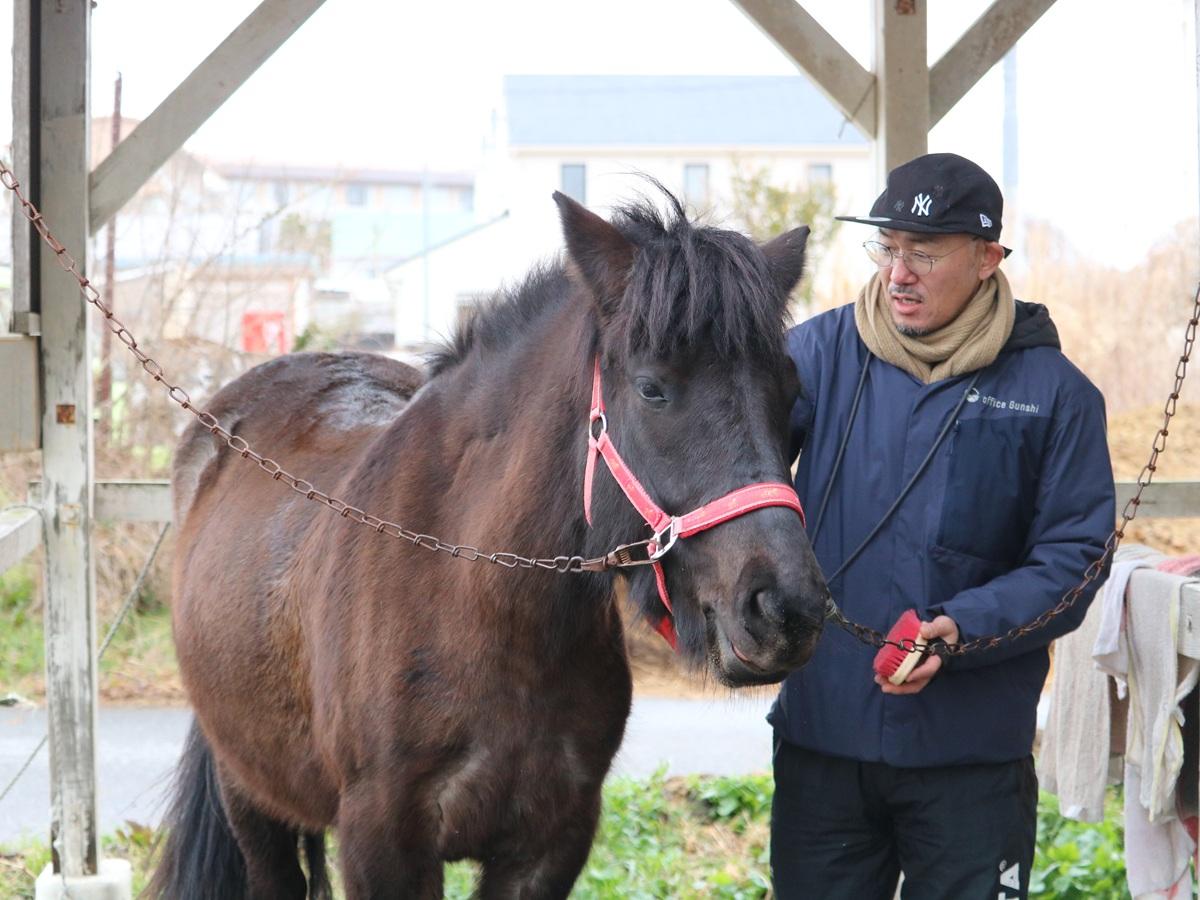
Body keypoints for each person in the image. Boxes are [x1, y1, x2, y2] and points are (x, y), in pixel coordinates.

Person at [768, 152, 1115, 900]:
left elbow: (1074, 559)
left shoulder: (1056, 396)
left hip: (971, 757)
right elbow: (726, 478)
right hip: (823, 740)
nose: (899, 274)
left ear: (988, 258)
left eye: (924, 254)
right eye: (888, 248)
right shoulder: (811, 359)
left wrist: (961, 628)